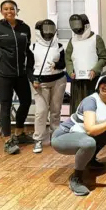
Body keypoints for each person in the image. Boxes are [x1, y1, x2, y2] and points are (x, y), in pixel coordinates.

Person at [51, 71, 106, 196]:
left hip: (81, 135)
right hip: (62, 137)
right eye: (104, 82)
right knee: (89, 143)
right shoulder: (90, 101)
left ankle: (90, 160)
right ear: (98, 84)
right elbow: (90, 129)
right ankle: (76, 178)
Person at [0, 0, 35, 154]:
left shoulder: (24, 28)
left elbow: (27, 48)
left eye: (11, 9)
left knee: (26, 101)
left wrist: (28, 70)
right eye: (5, 9)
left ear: (16, 10)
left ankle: (19, 133)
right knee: (5, 106)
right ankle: (8, 140)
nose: (9, 11)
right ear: (1, 12)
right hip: (2, 74)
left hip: (20, 73)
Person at [29, 19, 67, 153]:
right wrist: (33, 79)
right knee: (41, 111)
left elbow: (64, 63)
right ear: (39, 31)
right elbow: (28, 67)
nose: (49, 32)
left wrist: (56, 65)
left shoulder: (59, 46)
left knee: (56, 110)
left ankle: (55, 136)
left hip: (59, 81)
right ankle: (38, 139)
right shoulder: (32, 47)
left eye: (51, 29)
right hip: (40, 83)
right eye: (46, 29)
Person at [65, 14, 106, 113]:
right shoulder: (72, 41)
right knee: (77, 104)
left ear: (85, 24)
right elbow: (68, 59)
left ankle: (93, 126)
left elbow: (103, 58)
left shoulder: (96, 39)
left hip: (93, 79)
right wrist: (70, 71)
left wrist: (95, 70)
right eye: (74, 24)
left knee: (93, 104)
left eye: (78, 24)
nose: (76, 27)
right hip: (77, 80)